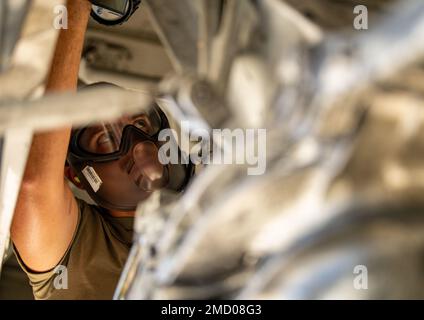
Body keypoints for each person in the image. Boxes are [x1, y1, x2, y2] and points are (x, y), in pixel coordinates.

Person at [10, 0, 193, 300]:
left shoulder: (206, 211)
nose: (135, 144)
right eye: (106, 140)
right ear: (77, 175)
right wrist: (75, 7)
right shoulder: (78, 250)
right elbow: (35, 185)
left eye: (141, 124)